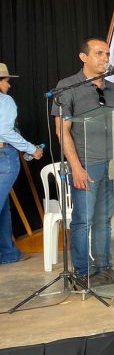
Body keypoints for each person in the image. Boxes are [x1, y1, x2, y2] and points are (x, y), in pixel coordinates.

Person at [51, 38, 114, 280]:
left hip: (111, 165)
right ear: (84, 57)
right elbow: (62, 130)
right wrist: (76, 167)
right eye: (99, 53)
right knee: (83, 220)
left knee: (104, 219)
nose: (105, 58)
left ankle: (104, 268)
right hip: (86, 164)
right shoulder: (67, 86)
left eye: (107, 53)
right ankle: (83, 273)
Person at [0, 63, 42, 264]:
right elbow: (5, 131)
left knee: (4, 206)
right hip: (3, 155)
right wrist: (31, 149)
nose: (9, 85)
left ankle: (8, 254)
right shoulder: (5, 100)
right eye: (7, 81)